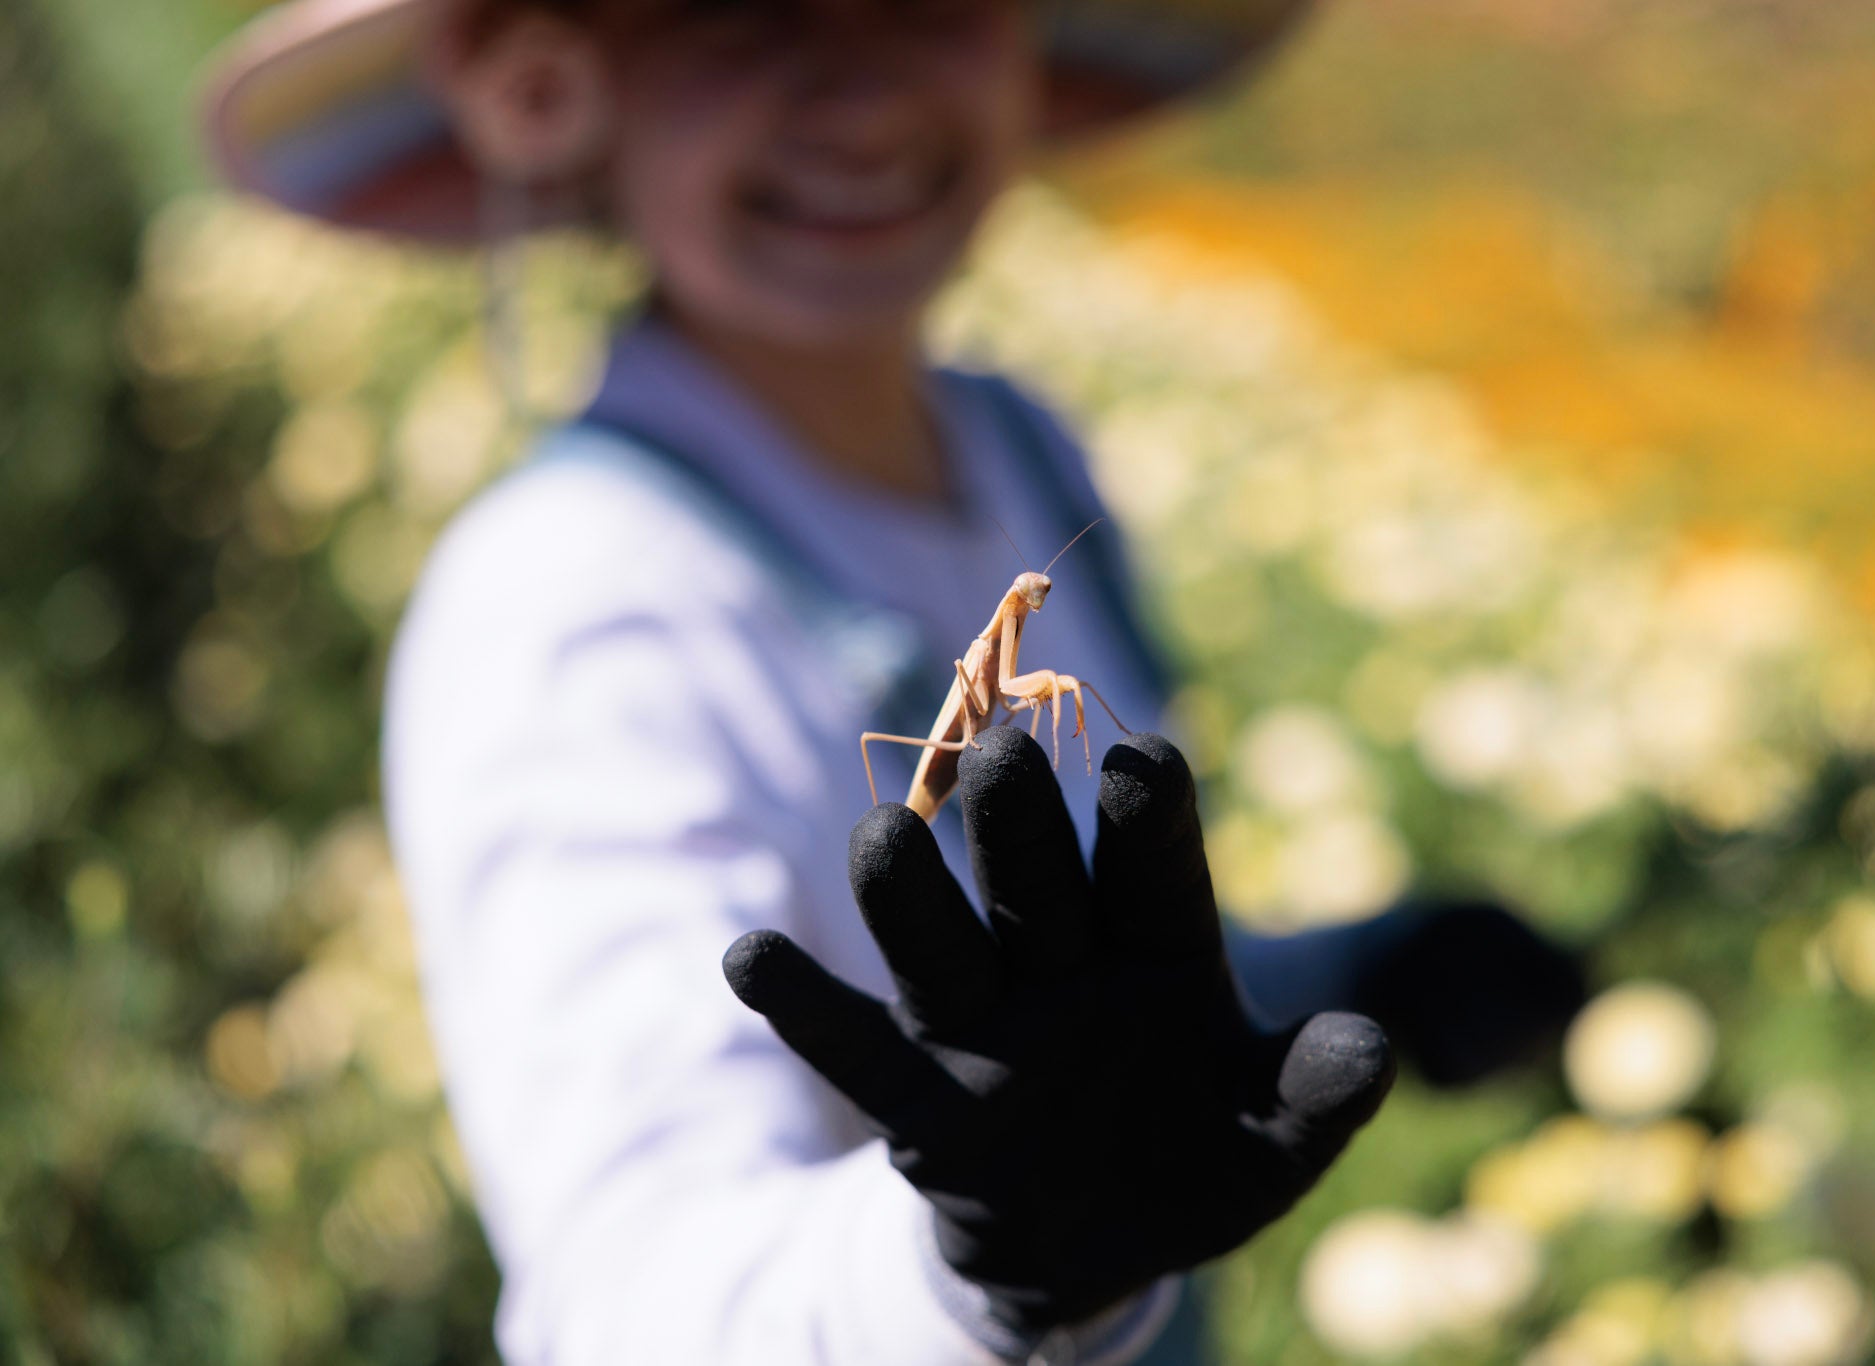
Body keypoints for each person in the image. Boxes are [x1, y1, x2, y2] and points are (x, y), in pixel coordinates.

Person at [202, 1, 1585, 1361]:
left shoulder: (1015, 443)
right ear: (562, 81)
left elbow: (1069, 991)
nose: (857, 87)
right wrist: (975, 1257)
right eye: (735, 15)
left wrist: (1353, 970)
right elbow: (620, 1287)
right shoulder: (571, 599)